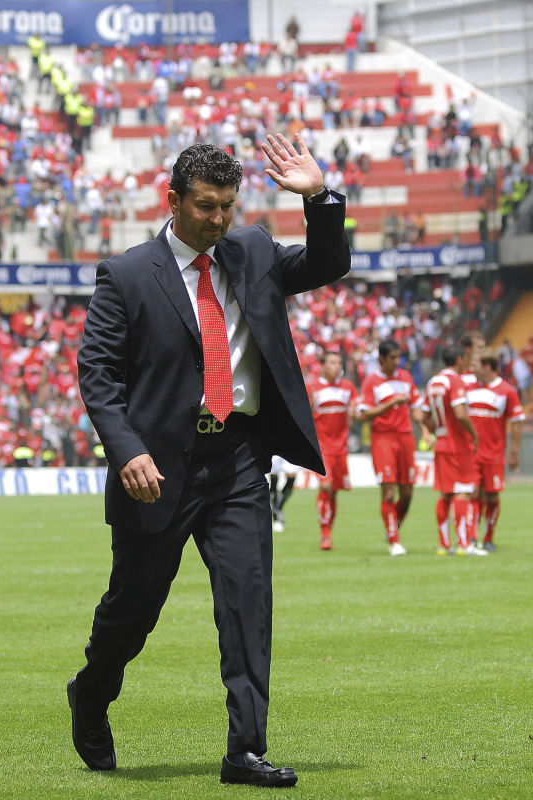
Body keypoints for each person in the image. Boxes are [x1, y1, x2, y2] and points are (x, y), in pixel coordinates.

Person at [68, 136, 349, 788]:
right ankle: (92, 691)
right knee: (132, 611)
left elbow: (329, 263)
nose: (217, 219)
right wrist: (128, 450)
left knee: (247, 602)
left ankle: (245, 749)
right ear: (172, 201)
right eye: (204, 206)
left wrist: (317, 197)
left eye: (227, 205)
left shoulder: (252, 251)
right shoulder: (127, 275)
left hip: (237, 461)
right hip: (157, 471)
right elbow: (99, 375)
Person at [417, 345, 486, 556]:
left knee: (445, 494)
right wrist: (473, 434)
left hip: (442, 444)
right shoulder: (455, 381)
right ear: (458, 359)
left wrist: (432, 431)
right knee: (463, 493)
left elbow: (421, 415)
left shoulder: (434, 382)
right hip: (458, 445)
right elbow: (460, 413)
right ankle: (465, 544)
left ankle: (444, 544)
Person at [358, 341, 420, 555]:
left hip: (405, 438)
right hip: (383, 438)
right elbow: (364, 414)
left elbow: (417, 406)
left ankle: (393, 528)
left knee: (408, 493)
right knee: (389, 490)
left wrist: (425, 429)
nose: (397, 362)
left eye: (398, 357)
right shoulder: (371, 381)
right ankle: (394, 540)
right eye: (392, 358)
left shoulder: (406, 377)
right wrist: (391, 403)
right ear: (382, 359)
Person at [466, 350, 524, 551]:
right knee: (473, 493)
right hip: (472, 453)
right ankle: (472, 537)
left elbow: (516, 422)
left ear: (488, 366)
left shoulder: (507, 391)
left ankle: (489, 537)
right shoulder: (468, 389)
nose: (472, 370)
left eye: (477, 366)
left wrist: (514, 450)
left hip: (494, 453)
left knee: (491, 496)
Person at [308, 350, 358, 550]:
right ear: (322, 365)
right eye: (332, 362)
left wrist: (356, 412)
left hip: (341, 448)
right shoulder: (312, 387)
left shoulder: (348, 387)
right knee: (326, 486)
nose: (336, 366)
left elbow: (355, 409)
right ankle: (325, 535)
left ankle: (329, 531)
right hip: (321, 447)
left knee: (334, 492)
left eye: (339, 362)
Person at [268, 455, 298, 533]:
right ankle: (276, 518)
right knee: (274, 480)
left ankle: (278, 509)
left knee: (291, 478)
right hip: (274, 451)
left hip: (289, 449)